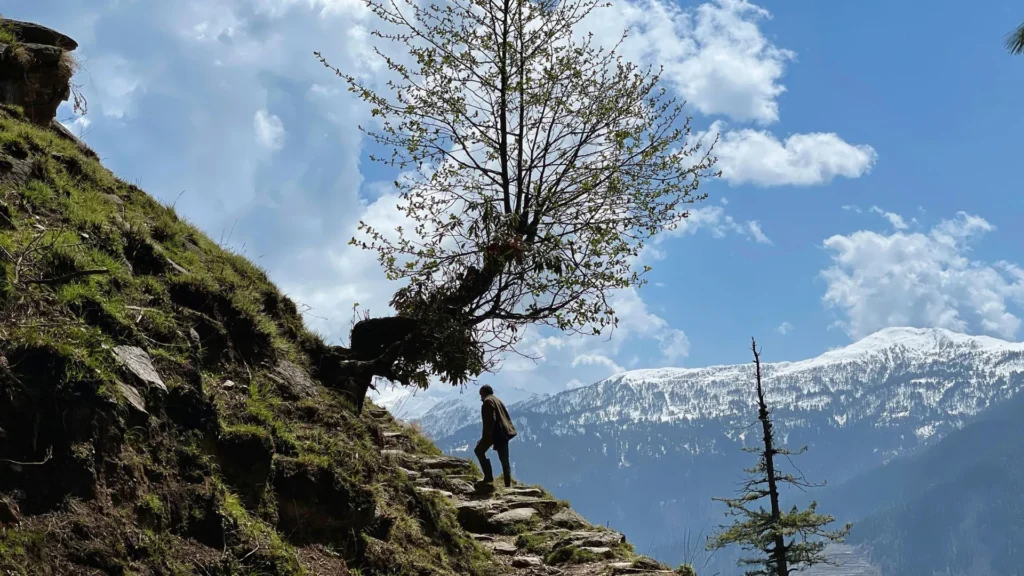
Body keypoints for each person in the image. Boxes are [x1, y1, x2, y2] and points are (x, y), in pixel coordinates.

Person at [474, 384, 517, 487]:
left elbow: (490, 421)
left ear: (483, 393)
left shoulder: (487, 402)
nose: (480, 397)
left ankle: (488, 477)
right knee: (504, 461)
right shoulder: (498, 400)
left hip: (495, 433)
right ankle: (507, 485)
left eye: (481, 394)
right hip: (504, 433)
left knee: (479, 451)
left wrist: (485, 437)